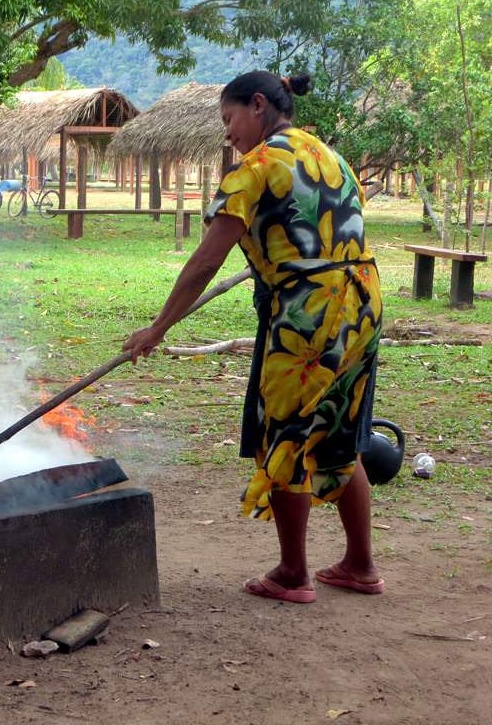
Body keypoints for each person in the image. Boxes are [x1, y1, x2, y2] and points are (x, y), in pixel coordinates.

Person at [122, 71, 384, 604]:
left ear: (258, 105)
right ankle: (360, 565)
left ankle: (292, 573)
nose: (228, 133)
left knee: (285, 434)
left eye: (230, 118)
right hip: (363, 302)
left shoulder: (255, 168)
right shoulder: (329, 156)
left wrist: (158, 327)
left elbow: (206, 261)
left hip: (308, 314)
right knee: (338, 429)